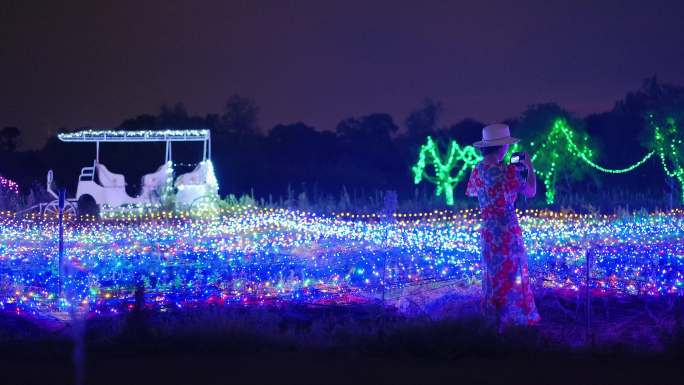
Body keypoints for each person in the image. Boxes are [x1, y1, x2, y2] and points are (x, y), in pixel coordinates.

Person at [466, 123, 541, 331]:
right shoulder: (508, 172)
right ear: (503, 147)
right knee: (513, 273)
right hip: (507, 229)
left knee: (493, 274)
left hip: (489, 230)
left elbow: (475, 193)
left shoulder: (477, 170)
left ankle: (494, 320)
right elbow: (531, 191)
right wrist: (529, 168)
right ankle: (514, 319)